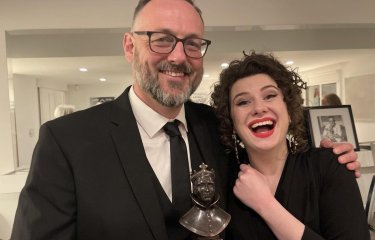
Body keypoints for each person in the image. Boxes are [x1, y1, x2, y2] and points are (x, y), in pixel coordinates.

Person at [11, 1, 360, 239]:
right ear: (130, 47)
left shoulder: (216, 128)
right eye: (162, 40)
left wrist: (331, 156)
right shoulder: (67, 140)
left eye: (192, 43)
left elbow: (273, 151)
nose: (179, 56)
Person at [211, 52, 369, 239]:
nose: (259, 108)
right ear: (232, 121)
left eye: (269, 96)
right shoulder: (223, 179)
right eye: (243, 102)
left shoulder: (328, 166)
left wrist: (266, 205)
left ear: (289, 109)